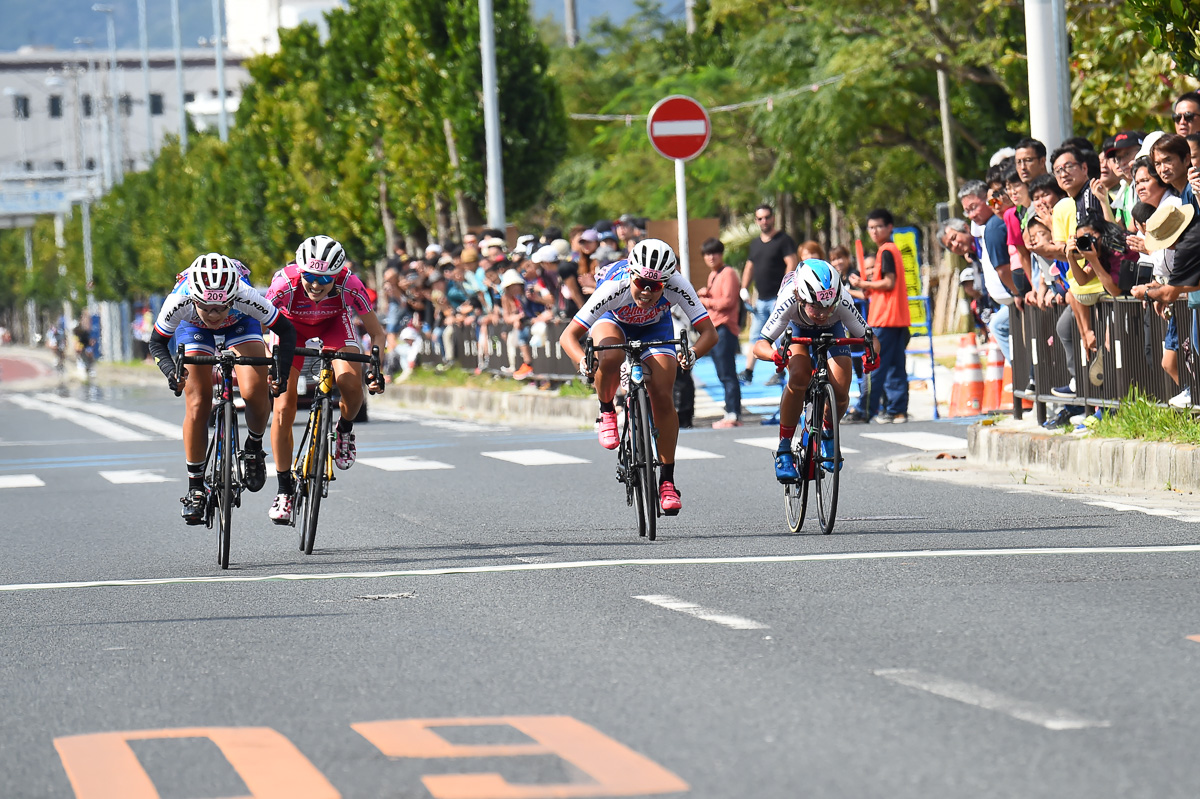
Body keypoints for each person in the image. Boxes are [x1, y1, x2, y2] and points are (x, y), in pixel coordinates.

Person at [559, 239, 717, 515]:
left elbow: (709, 333)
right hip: (613, 321)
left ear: (666, 282)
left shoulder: (678, 284)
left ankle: (667, 481)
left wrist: (692, 353)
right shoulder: (614, 287)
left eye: (655, 286)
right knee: (609, 358)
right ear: (631, 274)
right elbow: (568, 336)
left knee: (663, 391)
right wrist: (583, 362)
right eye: (641, 282)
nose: (646, 291)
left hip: (655, 329)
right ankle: (607, 410)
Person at [146, 253, 297, 525]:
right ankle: (195, 487)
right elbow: (156, 343)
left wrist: (280, 373)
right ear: (194, 299)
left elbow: (286, 331)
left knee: (253, 391)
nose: (215, 315)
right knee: (197, 401)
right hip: (193, 329)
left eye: (221, 307)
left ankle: (253, 446)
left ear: (233, 298)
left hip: (241, 324)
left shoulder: (244, 295)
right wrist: (172, 372)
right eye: (208, 308)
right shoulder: (179, 300)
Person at [264, 235, 386, 524]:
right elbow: (260, 324)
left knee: (349, 381)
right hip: (290, 327)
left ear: (337, 275)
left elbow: (376, 333)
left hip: (334, 325)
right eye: (309, 276)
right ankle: (284, 491)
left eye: (325, 278)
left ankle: (344, 430)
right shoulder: (282, 284)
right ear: (299, 270)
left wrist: (376, 365)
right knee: (283, 406)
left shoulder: (350, 285)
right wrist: (271, 363)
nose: (316, 285)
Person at [750, 260, 879, 481]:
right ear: (800, 297)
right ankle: (783, 448)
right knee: (798, 375)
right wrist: (774, 355)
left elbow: (870, 338)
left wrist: (872, 355)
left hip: (833, 329)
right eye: (816, 307)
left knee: (840, 387)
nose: (823, 313)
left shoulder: (842, 301)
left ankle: (828, 431)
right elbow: (759, 345)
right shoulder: (788, 299)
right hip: (796, 327)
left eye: (829, 306)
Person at [848, 208, 910, 423]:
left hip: (885, 317)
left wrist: (862, 283)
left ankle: (865, 409)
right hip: (895, 317)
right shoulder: (890, 250)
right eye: (871, 227)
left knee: (875, 364)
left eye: (879, 227)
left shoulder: (886, 251)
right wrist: (857, 289)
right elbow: (875, 291)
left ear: (889, 227)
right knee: (895, 366)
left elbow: (888, 283)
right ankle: (896, 409)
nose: (874, 231)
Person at [739, 204, 798, 386]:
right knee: (757, 337)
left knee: (781, 337)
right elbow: (750, 266)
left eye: (767, 217)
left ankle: (781, 372)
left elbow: (791, 263)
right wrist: (744, 288)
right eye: (760, 218)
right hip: (761, 300)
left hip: (778, 300)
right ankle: (748, 371)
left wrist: (784, 293)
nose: (764, 221)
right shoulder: (755, 243)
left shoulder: (783, 240)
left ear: (773, 218)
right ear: (756, 221)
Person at [696, 237, 743, 427]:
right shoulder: (713, 275)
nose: (711, 257)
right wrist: (706, 294)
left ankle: (733, 414)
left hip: (725, 327)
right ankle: (730, 412)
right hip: (715, 329)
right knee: (722, 374)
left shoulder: (728, 273)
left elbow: (728, 302)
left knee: (728, 374)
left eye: (714, 253)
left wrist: (705, 301)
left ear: (721, 254)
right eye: (707, 254)